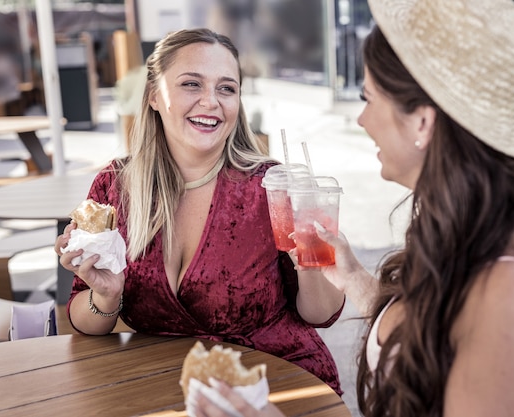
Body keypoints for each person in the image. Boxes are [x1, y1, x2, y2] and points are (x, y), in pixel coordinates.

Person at [192, 0, 514, 416]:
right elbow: (429, 337)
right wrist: (354, 279)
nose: (363, 120)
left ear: (422, 122)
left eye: (368, 98)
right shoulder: (477, 230)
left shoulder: (511, 296)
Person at [54, 28, 345, 395]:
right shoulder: (115, 187)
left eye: (227, 88)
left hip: (275, 385)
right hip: (165, 389)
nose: (211, 101)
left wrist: (311, 261)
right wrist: (107, 296)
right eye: (192, 84)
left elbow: (321, 315)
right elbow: (86, 323)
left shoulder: (270, 186)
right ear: (153, 96)